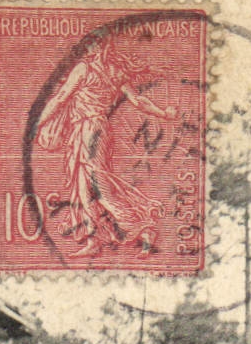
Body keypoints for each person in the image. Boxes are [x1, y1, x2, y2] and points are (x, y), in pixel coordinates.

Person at [35, 33, 178, 257]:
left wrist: (37, 123)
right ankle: (94, 239)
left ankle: (142, 228)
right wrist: (164, 114)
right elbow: (139, 101)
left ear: (97, 48)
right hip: (94, 129)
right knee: (84, 188)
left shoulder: (84, 69)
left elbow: (61, 97)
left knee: (100, 188)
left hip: (89, 131)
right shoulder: (116, 72)